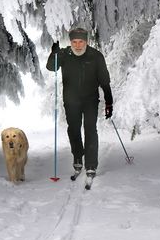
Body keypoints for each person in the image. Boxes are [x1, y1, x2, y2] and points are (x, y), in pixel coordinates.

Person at [46, 26, 113, 179]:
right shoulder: (64, 54)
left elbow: (104, 81)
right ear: (70, 42)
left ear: (86, 42)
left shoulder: (96, 56)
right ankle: (77, 157)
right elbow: (51, 67)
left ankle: (91, 165)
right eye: (74, 42)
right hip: (71, 101)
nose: (77, 45)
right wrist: (53, 53)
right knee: (74, 130)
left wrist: (109, 102)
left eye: (81, 42)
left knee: (90, 129)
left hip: (90, 100)